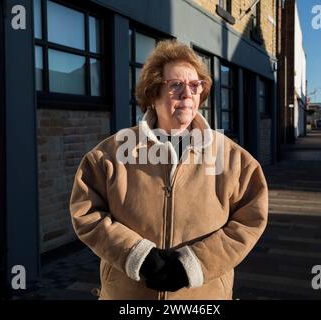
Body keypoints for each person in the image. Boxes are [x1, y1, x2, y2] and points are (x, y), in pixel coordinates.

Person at [69, 40, 268, 300]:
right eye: (176, 85)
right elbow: (86, 211)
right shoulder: (111, 154)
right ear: (153, 94)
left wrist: (193, 264)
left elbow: (250, 219)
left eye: (194, 85)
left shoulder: (233, 159)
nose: (187, 94)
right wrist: (136, 255)